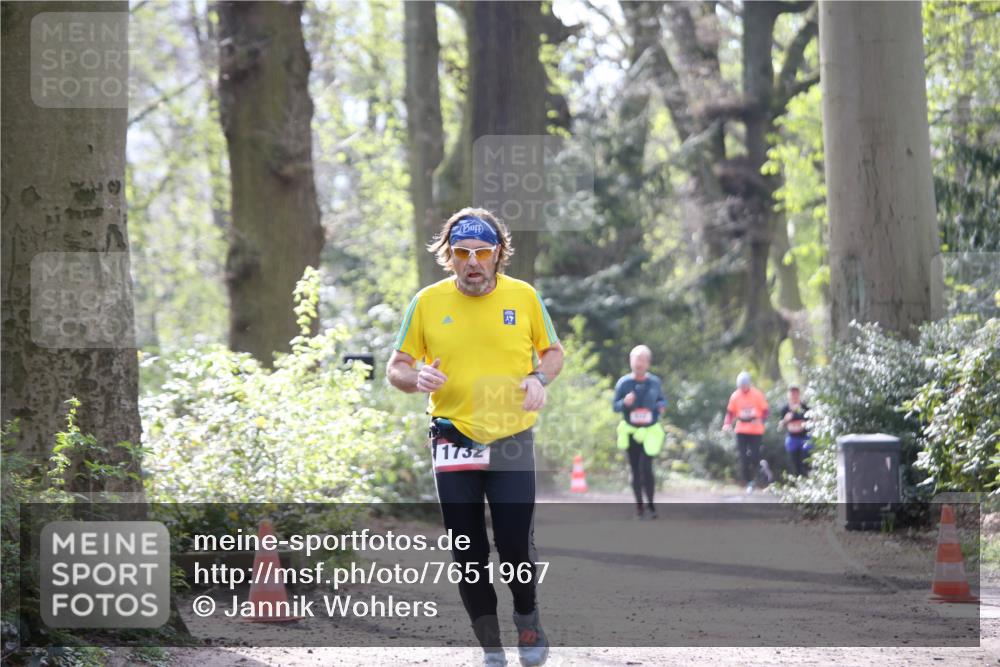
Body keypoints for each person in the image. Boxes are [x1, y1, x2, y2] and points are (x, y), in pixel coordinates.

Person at [387, 208, 564, 667]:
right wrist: (415, 377)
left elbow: (553, 353)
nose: (472, 262)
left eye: (482, 253)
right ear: (449, 255)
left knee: (513, 544)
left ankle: (527, 620)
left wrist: (538, 379)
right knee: (467, 549)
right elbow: (397, 367)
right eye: (462, 253)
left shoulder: (523, 297)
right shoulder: (427, 302)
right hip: (452, 437)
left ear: (498, 254)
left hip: (511, 437)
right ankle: (490, 646)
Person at [612, 345, 667, 519]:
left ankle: (651, 505)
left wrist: (661, 406)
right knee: (635, 470)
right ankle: (639, 508)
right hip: (631, 431)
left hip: (650, 431)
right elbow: (615, 406)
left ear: (648, 363)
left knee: (646, 468)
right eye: (636, 359)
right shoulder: (624, 383)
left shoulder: (655, 382)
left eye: (642, 360)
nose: (639, 363)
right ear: (630, 361)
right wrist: (625, 403)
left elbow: (662, 401)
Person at [722, 371, 769, 492]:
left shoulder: (757, 394)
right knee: (743, 457)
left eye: (745, 385)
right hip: (741, 429)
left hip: (755, 430)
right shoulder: (735, 396)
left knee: (754, 456)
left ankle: (762, 468)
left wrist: (760, 421)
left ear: (749, 384)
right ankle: (750, 482)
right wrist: (727, 424)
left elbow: (765, 411)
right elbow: (730, 412)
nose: (743, 388)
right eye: (741, 386)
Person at [777, 384, 811, 477]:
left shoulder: (805, 407)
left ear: (799, 394)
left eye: (796, 393)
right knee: (795, 464)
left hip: (804, 438)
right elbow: (780, 427)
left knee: (806, 462)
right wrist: (785, 420)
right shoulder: (785, 409)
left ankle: (807, 480)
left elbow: (812, 421)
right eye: (792, 394)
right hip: (792, 439)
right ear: (788, 395)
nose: (794, 396)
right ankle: (797, 483)